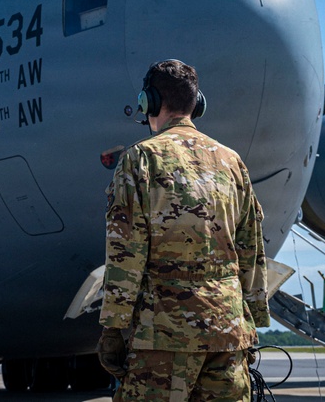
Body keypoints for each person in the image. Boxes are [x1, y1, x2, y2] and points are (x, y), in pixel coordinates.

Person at [98, 59, 269, 401]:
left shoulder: (141, 159)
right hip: (228, 333)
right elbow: (252, 250)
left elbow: (125, 254)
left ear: (149, 102)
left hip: (163, 335)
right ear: (197, 103)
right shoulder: (232, 161)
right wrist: (252, 322)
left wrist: (114, 327)